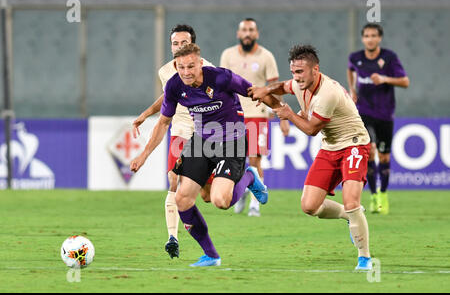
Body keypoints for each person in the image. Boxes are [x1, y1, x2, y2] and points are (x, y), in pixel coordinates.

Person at [130, 43, 268, 267]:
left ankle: (249, 177)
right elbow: (164, 122)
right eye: (181, 67)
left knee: (220, 201)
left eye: (191, 66)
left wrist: (282, 109)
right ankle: (211, 256)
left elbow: (254, 92)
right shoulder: (174, 85)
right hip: (201, 142)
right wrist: (144, 154)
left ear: (200, 63)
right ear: (176, 66)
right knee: (183, 199)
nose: (186, 72)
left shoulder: (221, 78)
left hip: (232, 139)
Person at [249, 44, 373, 270]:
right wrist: (265, 90)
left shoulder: (329, 93)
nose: (296, 78)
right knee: (309, 206)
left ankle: (364, 257)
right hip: (331, 147)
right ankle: (350, 217)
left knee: (352, 201)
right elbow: (282, 86)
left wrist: (287, 115)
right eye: (294, 72)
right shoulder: (297, 83)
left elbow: (311, 129)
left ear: (315, 70)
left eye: (300, 72)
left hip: (355, 144)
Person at [132, 24, 214, 259]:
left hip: (204, 132)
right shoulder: (165, 71)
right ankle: (172, 238)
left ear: (194, 46)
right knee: (173, 179)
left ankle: (246, 176)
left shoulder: (207, 69)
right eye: (175, 43)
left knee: (208, 196)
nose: (179, 47)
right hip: (179, 130)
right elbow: (168, 95)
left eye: (184, 43)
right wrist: (147, 113)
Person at [220, 18, 290, 217]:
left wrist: (282, 117)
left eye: (251, 30)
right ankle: (243, 189)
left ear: (257, 33)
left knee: (255, 158)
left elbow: (276, 88)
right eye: (244, 30)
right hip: (232, 114)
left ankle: (254, 203)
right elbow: (222, 85)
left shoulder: (266, 56)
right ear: (238, 34)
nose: (247, 33)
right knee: (236, 158)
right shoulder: (228, 55)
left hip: (258, 113)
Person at [347, 23, 409, 215]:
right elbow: (350, 69)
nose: (370, 39)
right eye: (366, 35)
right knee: (370, 151)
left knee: (384, 156)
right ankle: (373, 196)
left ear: (379, 38)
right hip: (364, 113)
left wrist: (385, 79)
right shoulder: (355, 58)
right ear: (363, 38)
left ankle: (383, 193)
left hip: (385, 114)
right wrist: (352, 88)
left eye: (373, 35)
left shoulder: (389, 58)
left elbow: (405, 81)